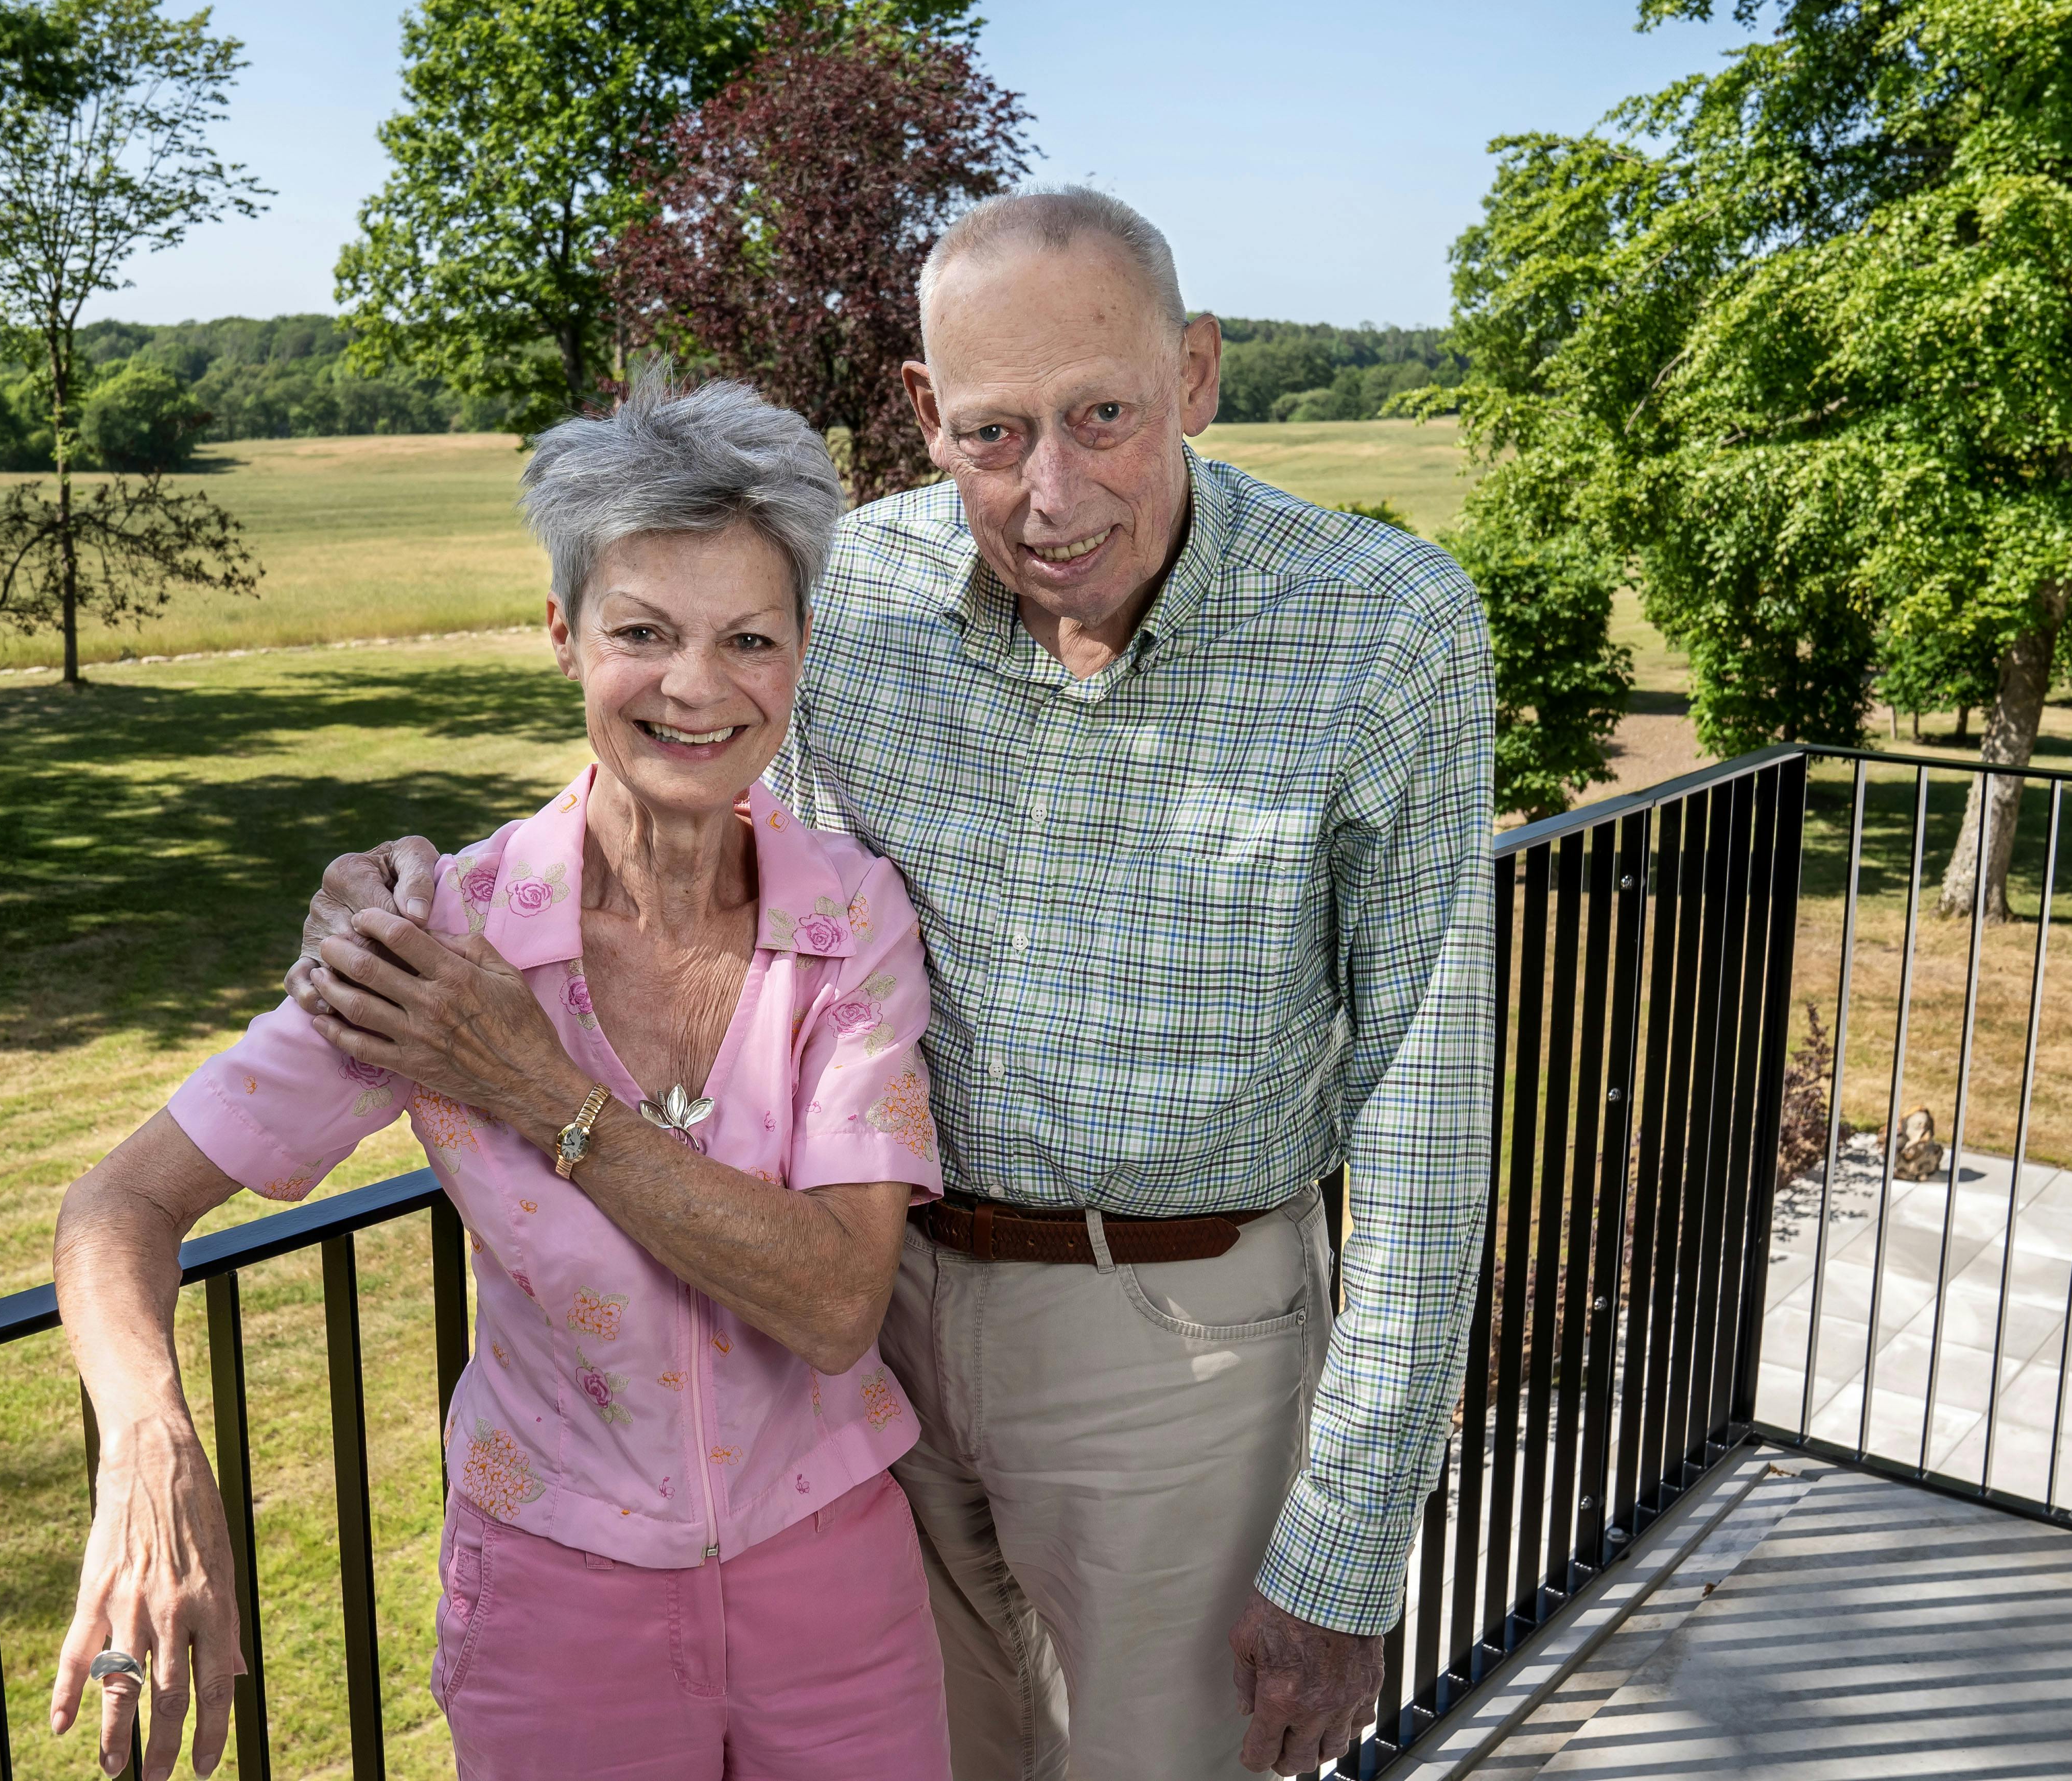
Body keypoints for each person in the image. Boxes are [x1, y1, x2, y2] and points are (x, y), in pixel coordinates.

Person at [293, 185, 1496, 1779]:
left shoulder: (1383, 627)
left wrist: (1346, 1542)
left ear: (1198, 374)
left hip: (1178, 1342)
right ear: (925, 414)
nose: (1052, 493)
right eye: (995, 434)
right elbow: (685, 764)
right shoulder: (849, 590)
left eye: (1106, 417)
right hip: (863, 1323)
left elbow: (1428, 1093)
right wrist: (409, 890)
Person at [50, 377, 952, 1781]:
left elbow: (839, 1301)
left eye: (748, 638)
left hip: (835, 1586)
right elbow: (120, 1208)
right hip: (560, 1601)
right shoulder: (435, 939)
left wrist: (540, 1093)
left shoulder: (850, 915)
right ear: (562, 635)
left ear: (800, 653)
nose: (697, 687)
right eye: (642, 632)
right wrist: (148, 1451)